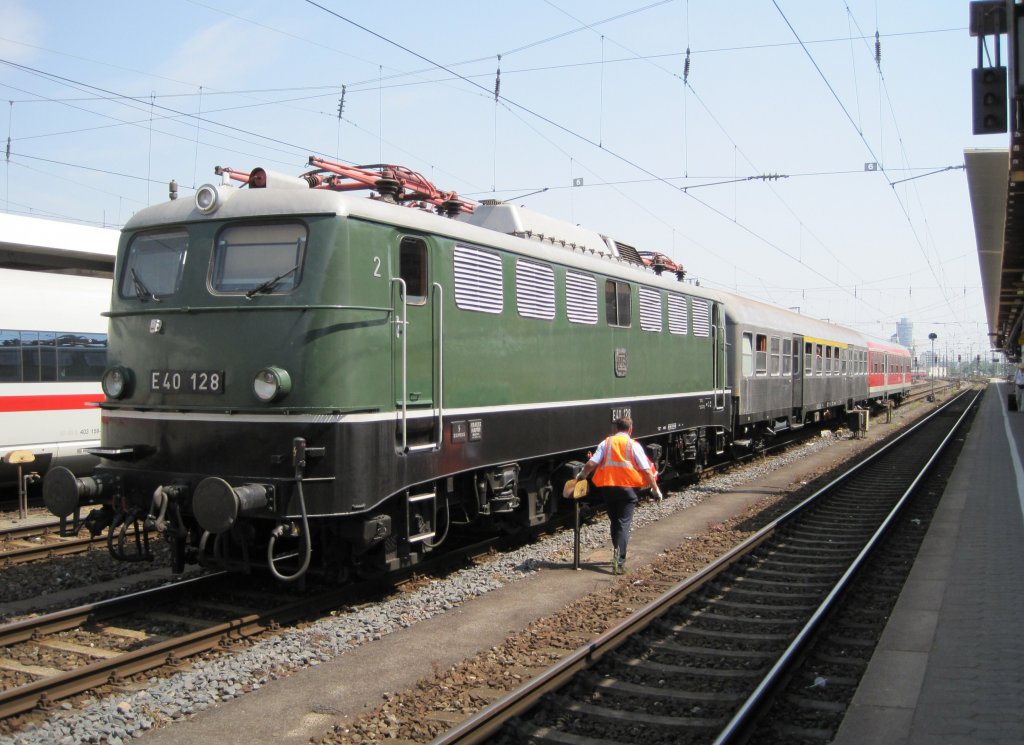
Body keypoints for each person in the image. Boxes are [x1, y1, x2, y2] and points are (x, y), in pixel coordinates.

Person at [580, 416, 662, 574]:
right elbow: (646, 470)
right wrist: (655, 489)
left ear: (615, 429)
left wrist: (582, 476)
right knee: (623, 524)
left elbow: (591, 464)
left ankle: (616, 551)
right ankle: (619, 561)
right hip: (627, 490)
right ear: (630, 429)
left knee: (615, 522)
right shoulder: (633, 445)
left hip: (608, 489)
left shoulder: (606, 443)